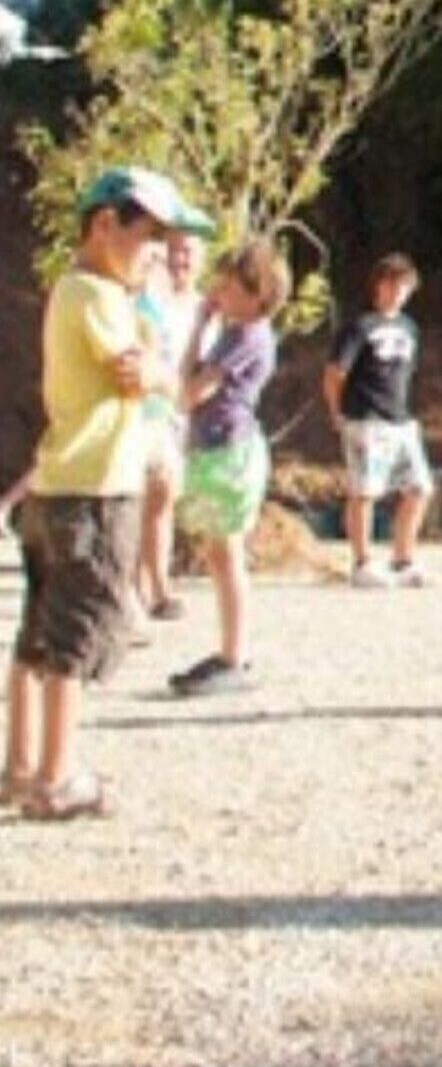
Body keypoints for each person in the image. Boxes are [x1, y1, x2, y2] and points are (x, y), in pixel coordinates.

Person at [4, 166, 214, 820]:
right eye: (149, 238)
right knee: (77, 632)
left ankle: (21, 765)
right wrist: (155, 366)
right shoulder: (94, 292)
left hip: (62, 483)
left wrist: (151, 356)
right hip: (97, 488)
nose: (159, 256)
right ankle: (57, 776)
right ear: (104, 226)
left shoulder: (83, 292)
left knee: (39, 632)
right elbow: (136, 373)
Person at [167, 237, 292, 697]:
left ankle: (234, 654)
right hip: (215, 448)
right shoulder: (230, 332)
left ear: (257, 294)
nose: (218, 288)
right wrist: (200, 326)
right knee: (222, 556)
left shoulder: (247, 336)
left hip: (229, 451)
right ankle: (229, 650)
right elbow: (189, 382)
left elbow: (191, 392)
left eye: (229, 283)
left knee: (228, 556)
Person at [322, 253, 433, 589]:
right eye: (391, 282)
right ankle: (362, 561)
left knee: (419, 488)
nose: (398, 290)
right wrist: (337, 411)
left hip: (400, 419)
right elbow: (334, 372)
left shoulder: (410, 328)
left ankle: (403, 558)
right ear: (378, 285)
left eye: (405, 284)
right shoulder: (360, 327)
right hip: (365, 418)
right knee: (365, 491)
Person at [133, 229, 210, 623]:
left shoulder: (205, 310)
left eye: (188, 252)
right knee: (135, 496)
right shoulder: (143, 300)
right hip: (140, 409)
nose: (179, 260)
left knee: (163, 499)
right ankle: (141, 588)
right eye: (173, 251)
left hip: (176, 414)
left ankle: (155, 583)